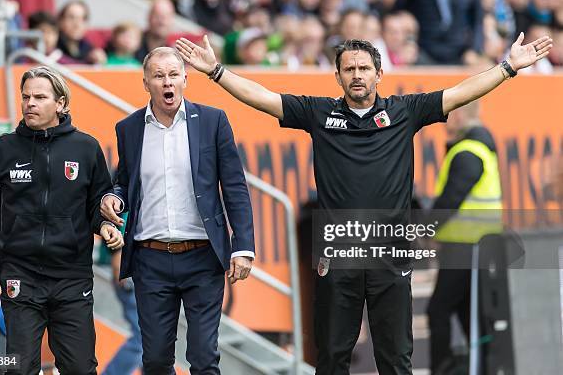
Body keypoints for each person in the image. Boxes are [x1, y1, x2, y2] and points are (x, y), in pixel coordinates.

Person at [175, 33, 552, 374]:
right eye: (349, 69)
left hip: (391, 256)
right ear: (337, 77)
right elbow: (264, 99)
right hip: (338, 255)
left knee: (395, 358)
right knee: (334, 356)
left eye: (364, 68)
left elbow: (459, 93)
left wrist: (507, 68)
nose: (357, 75)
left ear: (379, 73)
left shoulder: (406, 111)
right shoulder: (319, 113)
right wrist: (216, 72)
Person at [0, 66, 124, 375]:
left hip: (72, 277)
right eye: (25, 97)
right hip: (22, 275)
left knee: (81, 368)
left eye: (39, 97)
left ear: (61, 103)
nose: (29, 103)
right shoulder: (5, 148)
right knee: (19, 368)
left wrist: (106, 225)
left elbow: (98, 203)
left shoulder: (86, 148)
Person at [100, 47, 255, 374]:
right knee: (154, 360)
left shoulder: (213, 121)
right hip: (150, 258)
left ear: (185, 79)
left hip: (202, 256)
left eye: (173, 75)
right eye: (158, 76)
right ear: (146, 83)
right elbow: (125, 180)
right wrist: (115, 197)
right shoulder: (129, 128)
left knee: (203, 358)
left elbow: (235, 186)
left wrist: (243, 246)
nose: (166, 82)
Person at [427, 102, 502, 374]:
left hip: (467, 246)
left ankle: (443, 368)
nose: (446, 119)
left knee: (439, 311)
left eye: (449, 113)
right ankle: (485, 366)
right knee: (468, 314)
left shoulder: (468, 152)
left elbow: (450, 200)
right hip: (473, 245)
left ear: (458, 114)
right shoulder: (478, 148)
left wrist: (427, 228)